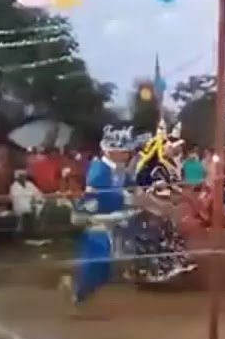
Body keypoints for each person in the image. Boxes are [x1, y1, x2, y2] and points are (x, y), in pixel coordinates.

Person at [67, 125, 135, 306]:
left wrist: (131, 200)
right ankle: (78, 291)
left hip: (114, 218)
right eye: (124, 150)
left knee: (105, 267)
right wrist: (124, 201)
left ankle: (82, 289)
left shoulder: (121, 170)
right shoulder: (98, 169)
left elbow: (129, 188)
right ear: (111, 151)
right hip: (98, 220)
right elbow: (96, 198)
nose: (128, 154)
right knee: (96, 261)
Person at [123, 120, 197, 284]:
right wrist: (178, 198)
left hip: (160, 209)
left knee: (168, 236)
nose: (178, 151)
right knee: (155, 239)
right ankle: (154, 273)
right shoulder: (156, 169)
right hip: (153, 210)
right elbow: (160, 193)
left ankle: (170, 266)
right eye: (175, 148)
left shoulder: (166, 165)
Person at [9, 170, 45, 238]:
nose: (23, 177)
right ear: (17, 178)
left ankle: (39, 231)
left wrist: (38, 200)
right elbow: (17, 199)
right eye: (21, 176)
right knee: (29, 210)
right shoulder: (14, 187)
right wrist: (31, 202)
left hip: (34, 204)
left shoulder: (30, 184)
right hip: (21, 207)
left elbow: (38, 193)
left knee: (42, 207)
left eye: (24, 176)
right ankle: (23, 233)